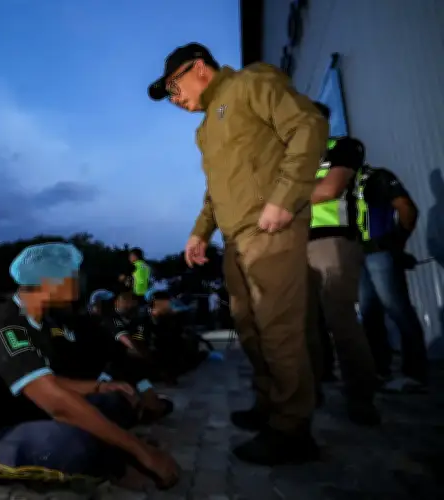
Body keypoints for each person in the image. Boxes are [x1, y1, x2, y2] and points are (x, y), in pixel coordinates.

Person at [149, 42, 327, 464]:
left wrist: (285, 197)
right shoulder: (206, 127)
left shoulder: (251, 83)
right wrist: (199, 232)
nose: (175, 101)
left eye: (174, 89)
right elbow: (216, 191)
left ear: (199, 70)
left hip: (271, 227)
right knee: (248, 327)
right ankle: (269, 404)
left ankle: (292, 428)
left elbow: (308, 125)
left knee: (278, 328)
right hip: (234, 238)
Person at [0, 243, 180, 491]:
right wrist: (141, 451)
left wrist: (98, 386)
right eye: (71, 274)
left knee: (114, 399)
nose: (78, 280)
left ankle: (113, 450)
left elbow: (45, 380)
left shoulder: (43, 320)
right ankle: (117, 463)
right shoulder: (5, 325)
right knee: (72, 445)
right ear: (47, 281)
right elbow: (55, 401)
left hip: (31, 412)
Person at [304, 102, 380, 425]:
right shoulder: (294, 160)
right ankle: (313, 389)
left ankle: (361, 398)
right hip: (299, 245)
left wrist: (281, 198)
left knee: (340, 320)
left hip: (334, 243)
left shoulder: (343, 148)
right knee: (306, 324)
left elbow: (330, 189)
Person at [355, 165, 428, 393]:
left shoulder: (379, 176)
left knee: (398, 309)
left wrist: (396, 244)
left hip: (381, 253)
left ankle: (414, 373)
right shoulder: (345, 181)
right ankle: (379, 369)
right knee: (369, 314)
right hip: (358, 255)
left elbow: (407, 209)